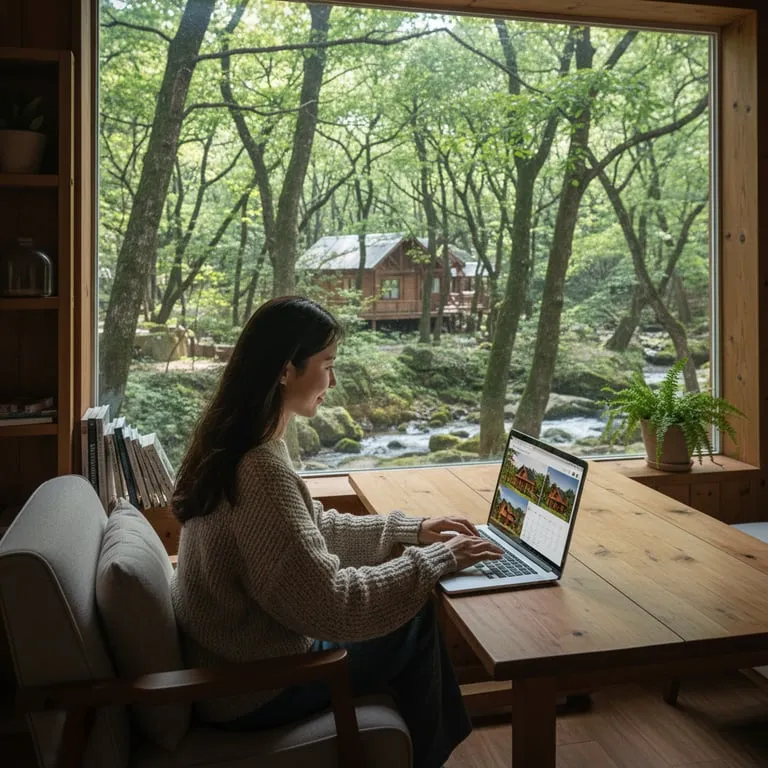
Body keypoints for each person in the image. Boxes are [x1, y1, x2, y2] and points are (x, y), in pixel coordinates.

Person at [171, 296, 503, 768]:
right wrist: (437, 560)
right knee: (415, 615)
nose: (334, 380)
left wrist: (412, 530)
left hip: (243, 667)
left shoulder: (236, 445)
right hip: (252, 690)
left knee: (408, 606)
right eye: (327, 364)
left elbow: (311, 529)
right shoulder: (259, 468)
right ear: (287, 370)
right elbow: (334, 606)